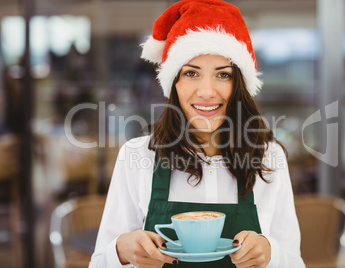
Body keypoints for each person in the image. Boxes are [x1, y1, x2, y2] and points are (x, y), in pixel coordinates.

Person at [89, 0, 305, 267]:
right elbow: (99, 262)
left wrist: (271, 253)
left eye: (223, 75)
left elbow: (295, 262)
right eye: (191, 73)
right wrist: (120, 251)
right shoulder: (137, 155)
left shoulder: (269, 158)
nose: (206, 91)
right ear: (174, 84)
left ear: (240, 85)